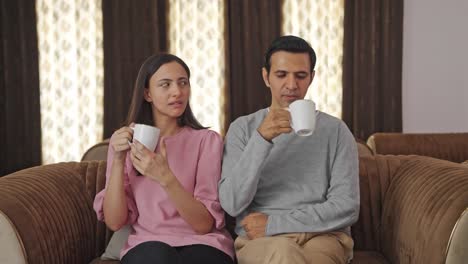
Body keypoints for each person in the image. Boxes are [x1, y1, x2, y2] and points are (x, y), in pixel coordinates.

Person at [219, 35, 359, 264]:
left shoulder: (336, 130)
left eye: (301, 76)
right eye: (281, 75)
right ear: (266, 77)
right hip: (260, 239)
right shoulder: (243, 129)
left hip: (322, 235)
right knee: (283, 253)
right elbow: (232, 203)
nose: (292, 85)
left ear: (312, 78)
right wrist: (262, 139)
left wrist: (276, 223)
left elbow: (347, 207)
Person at [93, 54, 234, 264]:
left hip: (204, 243)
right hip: (148, 245)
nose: (177, 92)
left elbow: (204, 225)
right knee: (156, 257)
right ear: (147, 94)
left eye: (183, 82)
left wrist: (165, 177)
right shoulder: (125, 140)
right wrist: (119, 160)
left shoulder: (207, 141)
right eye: (165, 85)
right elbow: (115, 222)